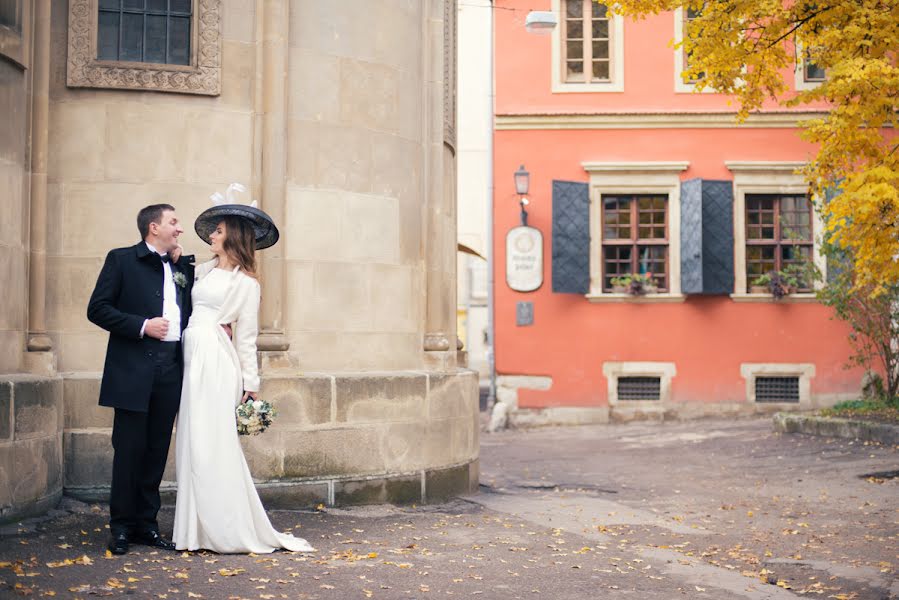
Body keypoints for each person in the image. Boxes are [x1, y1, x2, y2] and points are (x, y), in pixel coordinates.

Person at [172, 202, 313, 553]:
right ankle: (196, 530)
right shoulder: (202, 271)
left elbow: (247, 337)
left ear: (232, 238)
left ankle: (226, 527)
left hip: (218, 361)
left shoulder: (247, 286)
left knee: (213, 442)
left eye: (218, 231)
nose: (211, 235)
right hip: (192, 357)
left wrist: (251, 386)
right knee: (192, 440)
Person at [87, 204, 194, 555]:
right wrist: (142, 326)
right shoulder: (121, 259)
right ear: (153, 227)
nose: (179, 228)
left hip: (171, 370)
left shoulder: (181, 267)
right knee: (129, 451)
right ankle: (120, 527)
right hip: (133, 370)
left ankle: (147, 525)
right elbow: (97, 308)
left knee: (156, 451)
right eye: (173, 222)